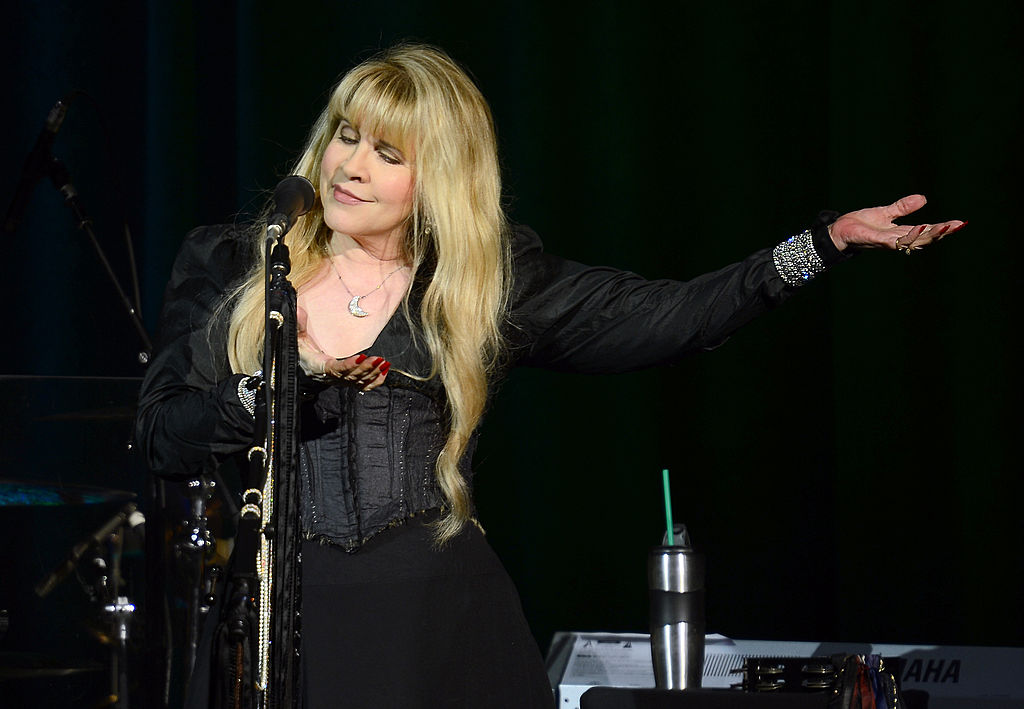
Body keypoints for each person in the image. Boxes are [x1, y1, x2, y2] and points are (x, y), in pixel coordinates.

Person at [135, 44, 965, 708]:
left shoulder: (484, 284)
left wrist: (819, 246)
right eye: (346, 136)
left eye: (388, 152)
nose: (352, 164)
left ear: (439, 181)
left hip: (440, 623)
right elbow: (160, 438)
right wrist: (269, 385)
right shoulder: (235, 265)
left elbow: (672, 316)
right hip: (282, 628)